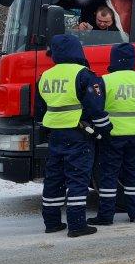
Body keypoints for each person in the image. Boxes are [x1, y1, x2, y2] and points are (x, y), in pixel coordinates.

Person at [35, 34, 111, 238]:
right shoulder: (84, 74)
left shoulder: (45, 76)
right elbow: (96, 107)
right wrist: (105, 128)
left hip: (55, 135)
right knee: (77, 178)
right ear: (77, 50)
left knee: (54, 178)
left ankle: (51, 222)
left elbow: (40, 109)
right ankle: (77, 225)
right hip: (78, 134)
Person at [89, 43, 135, 226]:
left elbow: (96, 107)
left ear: (113, 59)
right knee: (134, 173)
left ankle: (106, 215)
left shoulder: (105, 81)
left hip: (113, 135)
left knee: (109, 175)